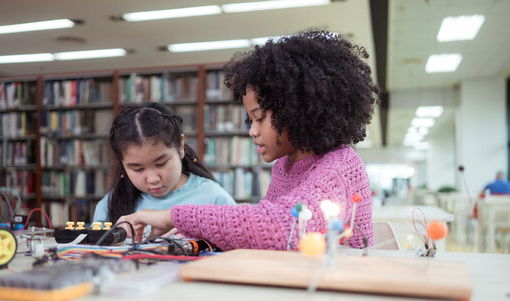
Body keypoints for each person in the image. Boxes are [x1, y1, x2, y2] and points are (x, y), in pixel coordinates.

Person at [117, 30, 379, 250]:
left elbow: (281, 227)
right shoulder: (284, 167)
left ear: (298, 110)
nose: (252, 131)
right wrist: (195, 235)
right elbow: (260, 237)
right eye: (249, 120)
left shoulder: (339, 165)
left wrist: (173, 215)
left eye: (260, 118)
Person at [93, 102, 236, 224]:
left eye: (161, 164)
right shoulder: (108, 207)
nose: (153, 179)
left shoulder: (214, 198)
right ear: (122, 164)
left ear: (180, 146)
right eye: (138, 169)